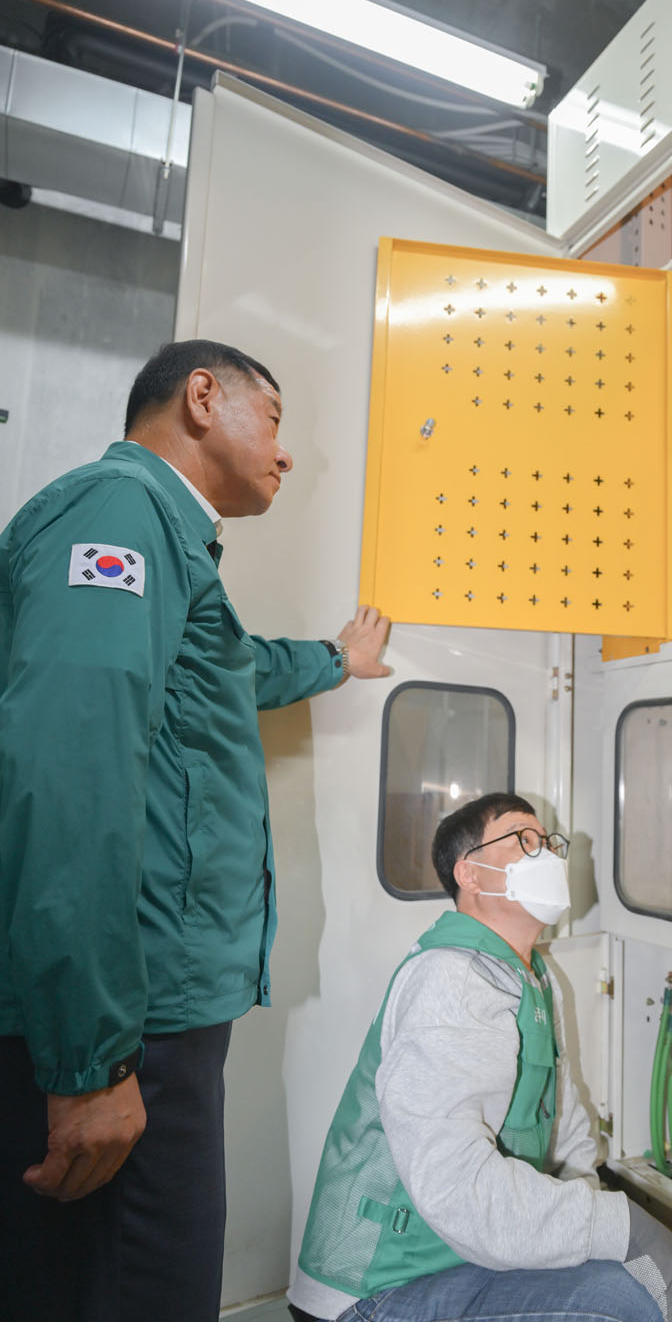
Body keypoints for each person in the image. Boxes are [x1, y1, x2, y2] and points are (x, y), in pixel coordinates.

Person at [0, 339, 390, 1322]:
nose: (286, 452)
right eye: (276, 419)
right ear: (203, 398)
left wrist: (335, 660)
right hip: (127, 1023)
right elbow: (71, 771)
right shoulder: (117, 513)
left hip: (152, 1014)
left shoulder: (165, 540)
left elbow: (230, 672)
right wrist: (90, 1063)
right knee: (142, 1290)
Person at [290, 793, 672, 1322]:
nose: (546, 854)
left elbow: (567, 1134)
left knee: (624, 1276)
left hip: (462, 1260)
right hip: (379, 1289)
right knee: (621, 1304)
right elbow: (458, 1189)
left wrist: (591, 1231)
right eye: (523, 840)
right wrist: (618, 1228)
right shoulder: (451, 978)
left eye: (548, 842)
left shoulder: (536, 978)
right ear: (470, 874)